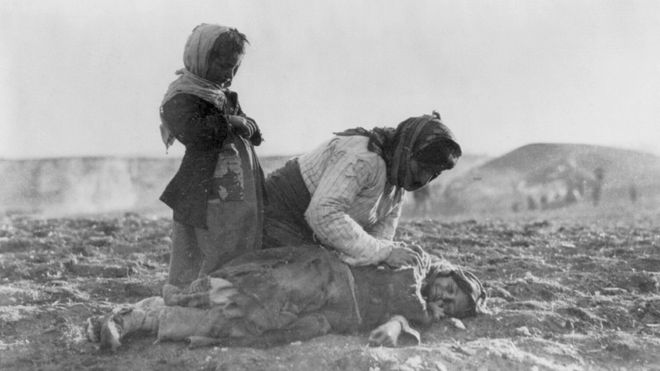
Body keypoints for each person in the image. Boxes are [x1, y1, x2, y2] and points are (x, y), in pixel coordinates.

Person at [85, 244, 487, 351]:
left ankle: (141, 320)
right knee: (251, 296)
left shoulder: (422, 313)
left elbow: (400, 322)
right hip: (326, 279)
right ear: (445, 272)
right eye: (449, 289)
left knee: (248, 325)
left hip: (331, 315)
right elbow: (404, 287)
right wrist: (421, 312)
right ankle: (134, 315)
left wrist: (402, 325)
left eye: (452, 304)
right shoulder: (416, 263)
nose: (443, 298)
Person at [262, 111, 462, 268]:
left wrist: (385, 255)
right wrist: (384, 254)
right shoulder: (363, 157)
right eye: (423, 167)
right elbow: (323, 214)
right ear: (407, 150)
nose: (424, 179)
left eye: (434, 173)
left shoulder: (396, 186)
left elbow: (379, 238)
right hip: (281, 213)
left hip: (313, 231)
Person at [158, 24, 265, 288]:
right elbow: (193, 132)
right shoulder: (181, 97)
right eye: (223, 66)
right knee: (201, 249)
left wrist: (250, 127)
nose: (229, 74)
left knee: (235, 239)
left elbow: (249, 128)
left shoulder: (224, 96)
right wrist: (230, 122)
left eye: (234, 68)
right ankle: (190, 300)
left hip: (235, 188)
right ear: (201, 59)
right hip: (203, 188)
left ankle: (224, 292)